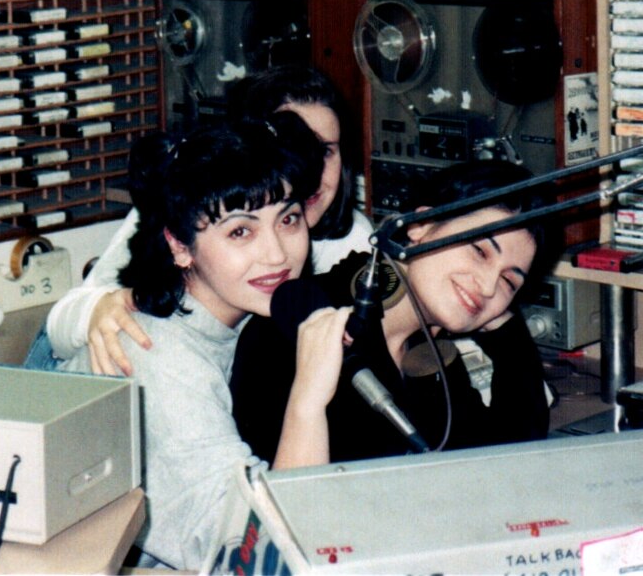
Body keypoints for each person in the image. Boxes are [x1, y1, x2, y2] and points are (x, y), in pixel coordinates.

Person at [56, 115, 336, 571]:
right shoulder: (157, 355)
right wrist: (308, 400)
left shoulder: (246, 318)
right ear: (180, 246)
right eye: (240, 231)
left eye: (287, 220)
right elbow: (258, 562)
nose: (277, 254)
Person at [44, 65, 374, 375]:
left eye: (325, 151)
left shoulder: (355, 240)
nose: (311, 169)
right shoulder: (178, 210)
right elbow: (59, 327)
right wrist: (101, 310)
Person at [229, 159, 552, 467]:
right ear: (420, 226)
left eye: (509, 281)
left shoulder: (427, 353)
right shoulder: (301, 324)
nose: (486, 286)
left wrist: (506, 330)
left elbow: (513, 456)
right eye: (479, 250)